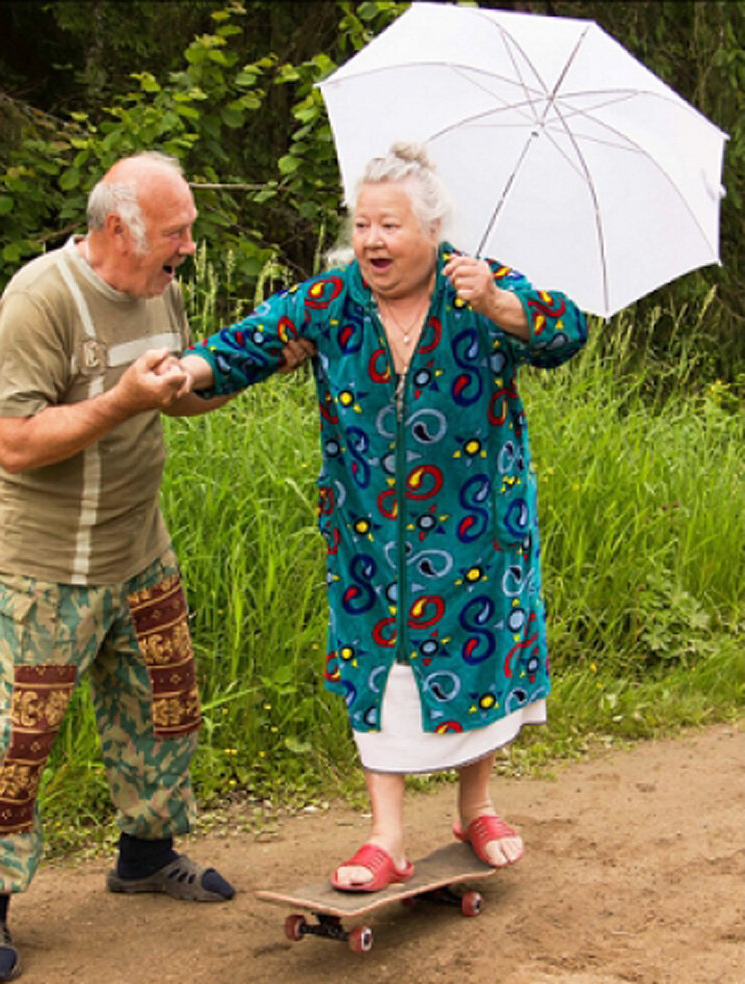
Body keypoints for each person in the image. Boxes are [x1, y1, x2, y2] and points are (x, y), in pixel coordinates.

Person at [180, 143, 588, 892]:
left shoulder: (483, 287)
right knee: (381, 667)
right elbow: (243, 346)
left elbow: (568, 334)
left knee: (478, 654)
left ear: (432, 230)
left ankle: (477, 807)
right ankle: (386, 838)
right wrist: (183, 372)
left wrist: (500, 306)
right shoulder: (332, 301)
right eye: (363, 223)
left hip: (477, 526)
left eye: (390, 225)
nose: (371, 239)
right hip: (368, 531)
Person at [0, 150, 310, 984]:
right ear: (120, 227)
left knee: (163, 707)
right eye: (177, 232)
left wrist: (261, 367)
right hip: (42, 568)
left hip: (139, 548)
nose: (188, 246)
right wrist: (120, 400)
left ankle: (146, 857)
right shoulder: (42, 300)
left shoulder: (159, 289)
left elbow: (178, 392)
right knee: (16, 741)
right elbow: (14, 442)